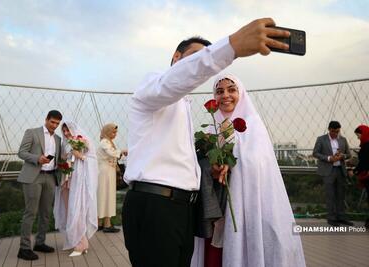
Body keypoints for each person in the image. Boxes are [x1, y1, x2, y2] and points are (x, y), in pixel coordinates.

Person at [122, 18, 291, 267]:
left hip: (182, 210)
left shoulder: (183, 107)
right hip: (155, 207)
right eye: (193, 57)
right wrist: (231, 46)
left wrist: (212, 169)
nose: (199, 64)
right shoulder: (153, 88)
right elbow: (173, 80)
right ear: (176, 57)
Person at [191, 73, 306, 267]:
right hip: (218, 206)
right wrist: (212, 165)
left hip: (246, 203)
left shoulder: (253, 125)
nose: (225, 95)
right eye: (219, 92)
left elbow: (259, 162)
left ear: (241, 93)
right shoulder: (212, 128)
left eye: (231, 90)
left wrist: (232, 154)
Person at [17, 110, 62, 261]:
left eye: (57, 123)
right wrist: (38, 158)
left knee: (46, 213)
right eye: (52, 122)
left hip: (50, 177)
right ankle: (24, 248)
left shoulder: (58, 139)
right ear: (46, 119)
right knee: (31, 212)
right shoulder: (32, 132)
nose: (54, 125)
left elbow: (59, 159)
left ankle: (40, 243)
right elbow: (21, 152)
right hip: (33, 177)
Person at [53, 121, 98, 257]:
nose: (66, 133)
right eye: (64, 131)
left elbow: (93, 160)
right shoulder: (65, 144)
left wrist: (81, 156)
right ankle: (73, 241)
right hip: (66, 181)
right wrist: (64, 158)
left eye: (68, 130)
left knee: (77, 210)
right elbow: (62, 160)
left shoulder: (84, 141)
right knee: (69, 211)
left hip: (78, 181)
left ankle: (81, 244)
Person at [313, 121, 353, 226]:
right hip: (328, 171)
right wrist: (329, 158)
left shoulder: (343, 139)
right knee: (330, 195)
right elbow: (315, 153)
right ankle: (331, 218)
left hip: (340, 170)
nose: (336, 134)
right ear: (329, 129)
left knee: (341, 195)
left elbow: (349, 154)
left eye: (338, 131)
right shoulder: (321, 139)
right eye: (334, 131)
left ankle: (341, 217)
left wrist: (342, 156)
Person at [97, 123, 127, 233]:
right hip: (105, 172)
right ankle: (106, 224)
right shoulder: (105, 142)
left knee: (104, 196)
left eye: (115, 132)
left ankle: (101, 223)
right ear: (107, 132)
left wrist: (120, 153)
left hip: (107, 171)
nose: (114, 134)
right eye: (113, 132)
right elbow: (112, 153)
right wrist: (122, 151)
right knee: (106, 196)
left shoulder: (108, 142)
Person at [349, 125, 369, 228]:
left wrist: (355, 171)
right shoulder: (365, 145)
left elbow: (364, 162)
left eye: (358, 135)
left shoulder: (366, 146)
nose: (358, 138)